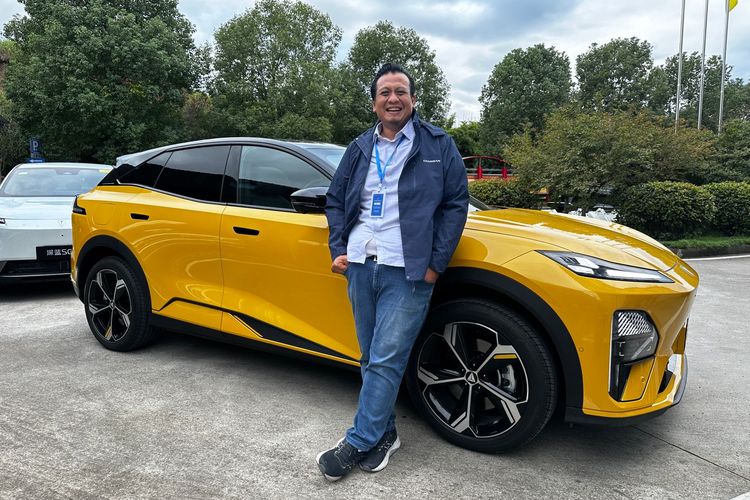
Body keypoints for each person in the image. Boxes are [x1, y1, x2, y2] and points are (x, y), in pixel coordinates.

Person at [318, 63, 469, 481]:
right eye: (385, 92)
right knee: (372, 357)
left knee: (385, 358)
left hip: (409, 269)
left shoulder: (438, 144)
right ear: (374, 103)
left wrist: (436, 263)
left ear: (413, 100)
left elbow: (456, 203)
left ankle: (357, 441)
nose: (393, 98)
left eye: (400, 91)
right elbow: (335, 200)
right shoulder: (359, 147)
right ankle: (385, 434)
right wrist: (338, 248)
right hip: (361, 263)